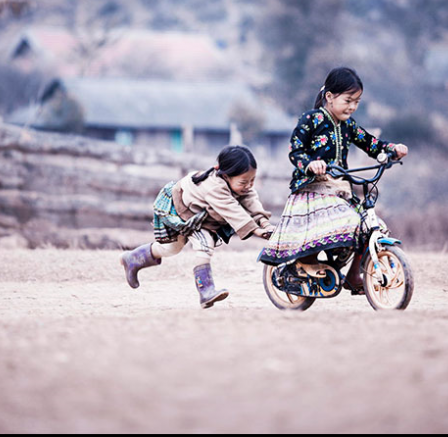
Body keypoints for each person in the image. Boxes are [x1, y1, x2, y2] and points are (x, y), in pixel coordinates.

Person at [258, 67, 408, 294]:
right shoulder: (311, 119)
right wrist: (310, 164)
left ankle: (354, 275)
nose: (352, 107)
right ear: (329, 96)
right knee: (345, 221)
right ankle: (302, 265)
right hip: (313, 189)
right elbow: (295, 151)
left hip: (339, 189)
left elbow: (370, 143)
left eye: (357, 102)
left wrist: (392, 149)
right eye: (348, 100)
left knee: (369, 226)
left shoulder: (348, 125)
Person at [121, 145, 275, 308]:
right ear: (226, 175)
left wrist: (265, 223)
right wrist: (256, 230)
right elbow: (232, 209)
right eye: (244, 181)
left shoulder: (243, 188)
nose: (249, 185)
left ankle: (133, 258)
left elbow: (252, 201)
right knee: (204, 244)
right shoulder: (215, 187)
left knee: (171, 249)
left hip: (201, 215)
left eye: (252, 180)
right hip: (185, 211)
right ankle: (206, 291)